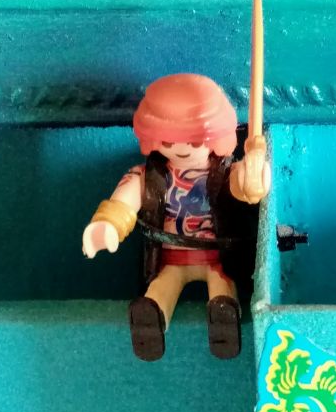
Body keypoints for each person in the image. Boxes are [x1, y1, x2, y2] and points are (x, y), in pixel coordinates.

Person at [82, 72, 270, 361]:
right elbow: (125, 199)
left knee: (222, 288)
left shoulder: (224, 173)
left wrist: (255, 176)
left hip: (217, 258)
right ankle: (152, 321)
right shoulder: (150, 175)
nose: (180, 149)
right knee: (160, 287)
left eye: (194, 142)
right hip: (170, 258)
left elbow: (244, 187)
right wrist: (108, 224)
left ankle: (224, 321)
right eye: (168, 141)